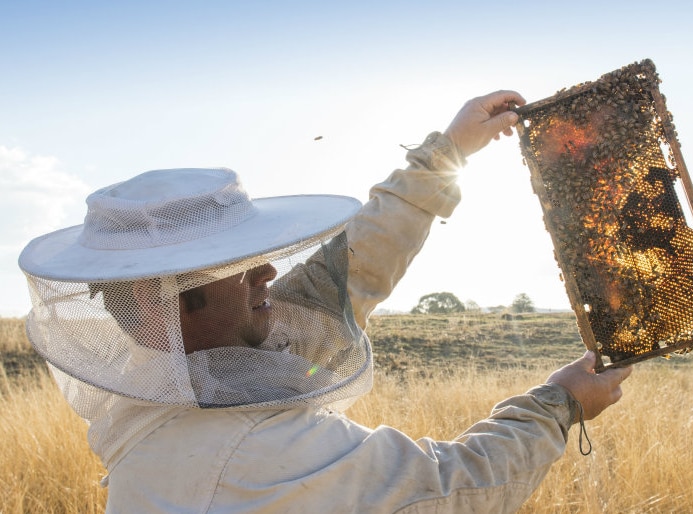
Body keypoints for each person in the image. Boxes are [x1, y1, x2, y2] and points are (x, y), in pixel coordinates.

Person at [19, 90, 632, 513]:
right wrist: (559, 405)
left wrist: (445, 154)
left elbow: (343, 272)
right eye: (234, 267)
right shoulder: (251, 454)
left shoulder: (173, 373)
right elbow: (449, 490)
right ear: (170, 307)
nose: (264, 271)